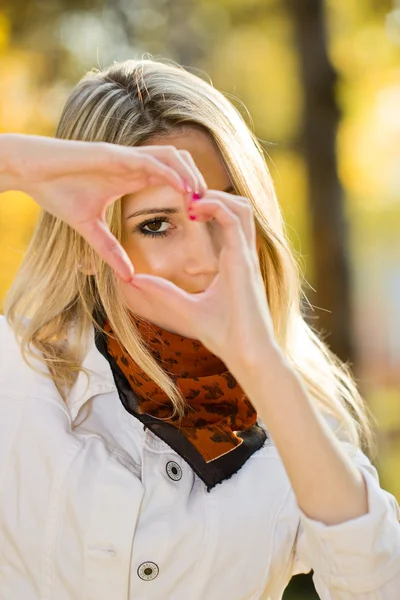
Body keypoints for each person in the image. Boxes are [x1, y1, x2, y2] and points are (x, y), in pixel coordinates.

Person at [0, 58, 399, 600]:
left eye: (222, 211)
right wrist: (17, 165)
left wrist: (259, 361)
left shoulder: (303, 425)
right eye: (156, 225)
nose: (204, 259)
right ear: (86, 242)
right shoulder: (16, 375)